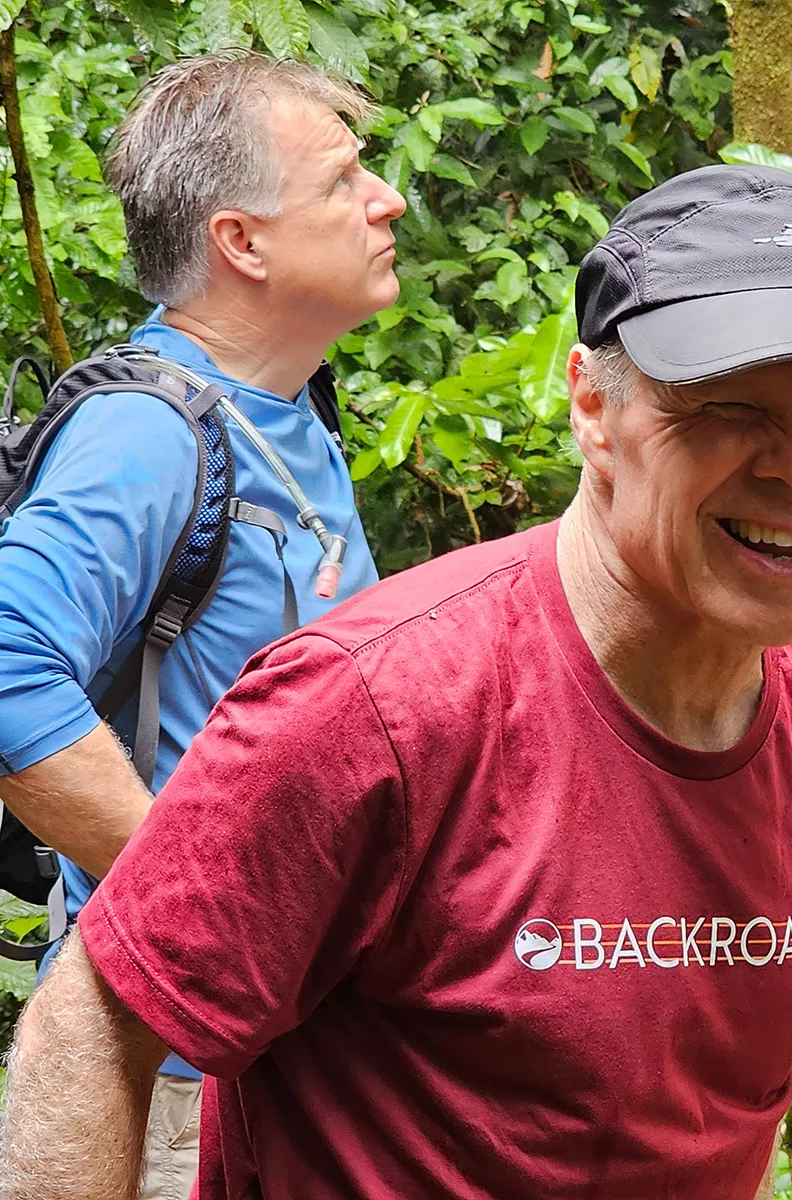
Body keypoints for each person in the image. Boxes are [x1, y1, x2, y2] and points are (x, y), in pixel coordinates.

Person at [0, 162, 792, 1200]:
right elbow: (93, 1020)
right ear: (592, 404)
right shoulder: (371, 707)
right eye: (729, 406)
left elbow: (708, 1106)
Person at [0, 51, 402, 1200]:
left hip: (289, 1056)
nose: (387, 198)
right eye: (343, 182)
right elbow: (5, 661)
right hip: (178, 1075)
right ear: (243, 242)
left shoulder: (290, 406)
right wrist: (210, 911)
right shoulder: (147, 433)